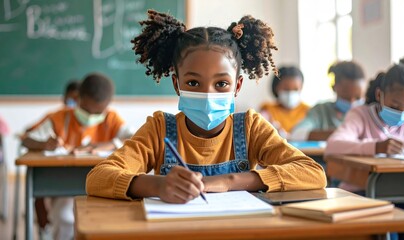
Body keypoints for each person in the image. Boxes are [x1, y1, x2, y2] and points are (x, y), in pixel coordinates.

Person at [86, 10, 326, 205]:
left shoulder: (251, 128)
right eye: (193, 83)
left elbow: (312, 173)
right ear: (176, 84)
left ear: (237, 86)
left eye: (221, 83)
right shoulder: (159, 129)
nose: (208, 94)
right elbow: (97, 178)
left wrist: (230, 180)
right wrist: (157, 185)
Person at [23, 73, 133, 240]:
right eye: (86, 110)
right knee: (65, 215)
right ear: (77, 98)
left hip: (103, 183)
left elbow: (134, 138)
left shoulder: (111, 119)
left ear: (107, 106)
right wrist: (45, 144)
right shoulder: (60, 117)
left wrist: (105, 145)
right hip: (66, 183)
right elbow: (27, 140)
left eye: (98, 112)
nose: (91, 116)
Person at [325, 58, 404, 240]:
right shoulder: (360, 115)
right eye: (395, 106)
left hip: (403, 195)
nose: (402, 113)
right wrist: (376, 146)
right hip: (361, 192)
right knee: (387, 228)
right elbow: (333, 145)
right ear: (379, 95)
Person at [21, 80, 80, 238]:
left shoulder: (97, 119)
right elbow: (28, 133)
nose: (73, 103)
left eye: (77, 99)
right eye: (70, 98)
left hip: (77, 174)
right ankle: (44, 226)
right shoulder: (55, 117)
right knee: (40, 189)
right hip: (56, 171)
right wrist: (44, 143)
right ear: (64, 98)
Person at [290, 61, 366, 141]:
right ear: (334, 87)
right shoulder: (320, 111)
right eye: (346, 97)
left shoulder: (369, 113)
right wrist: (341, 133)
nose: (352, 102)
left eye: (358, 98)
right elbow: (297, 133)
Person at [259, 66, 308, 138]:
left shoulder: (308, 110)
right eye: (286, 89)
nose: (290, 93)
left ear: (301, 88)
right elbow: (260, 124)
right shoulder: (268, 109)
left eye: (295, 89)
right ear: (276, 87)